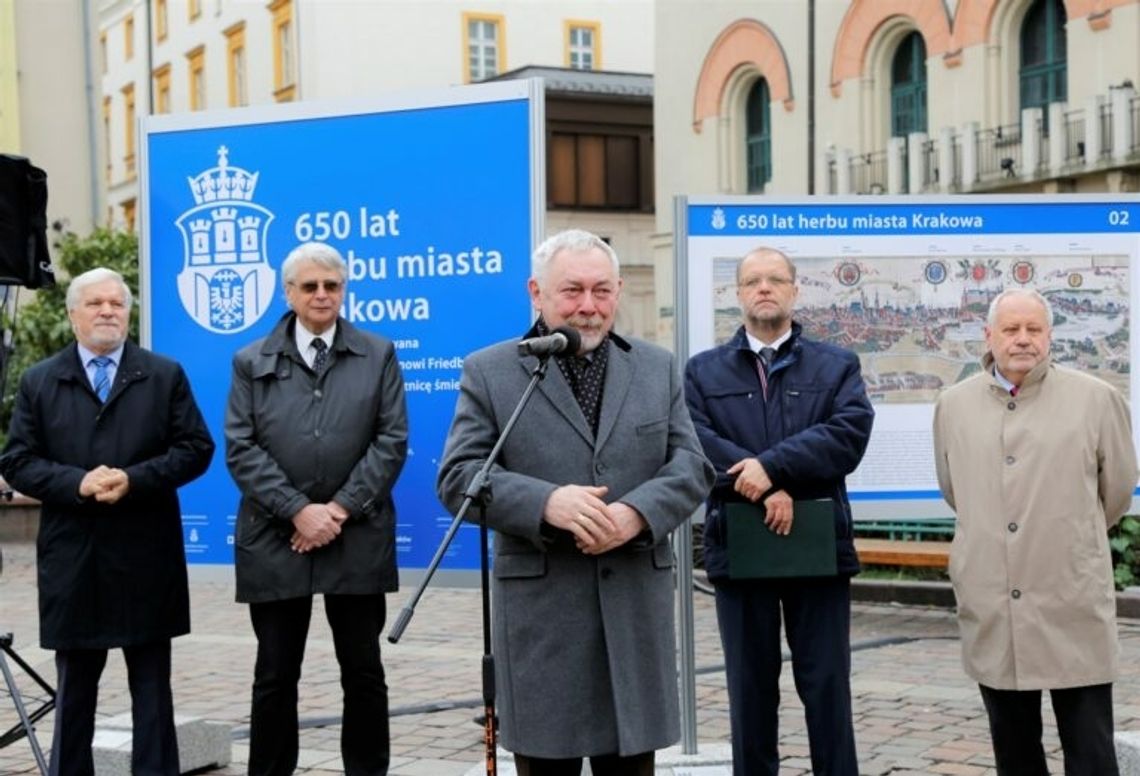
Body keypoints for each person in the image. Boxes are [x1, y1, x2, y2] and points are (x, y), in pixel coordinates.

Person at [436, 229, 714, 776]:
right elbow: (459, 476)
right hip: (544, 617)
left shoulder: (656, 368)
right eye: (572, 291)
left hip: (633, 608)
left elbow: (691, 465)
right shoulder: (490, 371)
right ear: (536, 293)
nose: (589, 307)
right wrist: (546, 503)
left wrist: (636, 514)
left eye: (602, 291)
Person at [0, 267, 215, 776]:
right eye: (95, 303)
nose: (107, 312)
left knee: (151, 690)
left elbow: (195, 448)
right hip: (73, 558)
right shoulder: (40, 380)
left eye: (116, 304)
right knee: (74, 690)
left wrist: (133, 479)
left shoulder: (164, 375)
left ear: (129, 313)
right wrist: (77, 483)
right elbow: (18, 461)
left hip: (146, 554)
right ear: (73, 316)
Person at [684, 247, 873, 776]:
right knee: (749, 690)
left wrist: (774, 468)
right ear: (738, 294)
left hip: (818, 549)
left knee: (827, 686)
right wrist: (766, 488)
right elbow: (696, 444)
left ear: (794, 289)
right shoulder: (702, 372)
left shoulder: (838, 366)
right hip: (740, 551)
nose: (764, 288)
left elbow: (847, 436)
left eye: (775, 279)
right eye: (752, 281)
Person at [933, 288, 1137, 776]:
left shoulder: (1096, 399)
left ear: (1049, 335)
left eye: (1034, 329)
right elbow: (954, 487)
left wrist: (1063, 534)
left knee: (1089, 746)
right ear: (989, 336)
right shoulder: (953, 405)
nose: (1022, 340)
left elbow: (1116, 493)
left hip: (1070, 593)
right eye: (1010, 329)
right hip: (993, 597)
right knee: (1014, 746)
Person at [224, 242, 408, 776]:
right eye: (310, 286)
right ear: (289, 293)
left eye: (332, 285)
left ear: (344, 290)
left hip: (357, 534)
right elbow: (241, 446)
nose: (322, 295)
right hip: (275, 536)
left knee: (364, 671)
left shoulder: (378, 353)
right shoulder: (249, 360)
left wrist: (338, 511)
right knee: (276, 673)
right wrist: (299, 511)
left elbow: (391, 441)